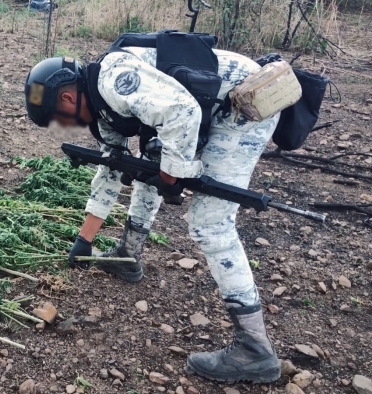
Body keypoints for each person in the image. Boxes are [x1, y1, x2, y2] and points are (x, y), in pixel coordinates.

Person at [23, 35, 281, 384]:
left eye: (59, 117)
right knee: (148, 169)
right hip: (208, 107)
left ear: (67, 96)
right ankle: (128, 256)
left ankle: (255, 349)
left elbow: (183, 112)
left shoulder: (113, 80)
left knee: (211, 223)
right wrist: (85, 239)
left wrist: (172, 176)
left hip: (243, 101)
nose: (66, 125)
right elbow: (111, 168)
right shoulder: (102, 113)